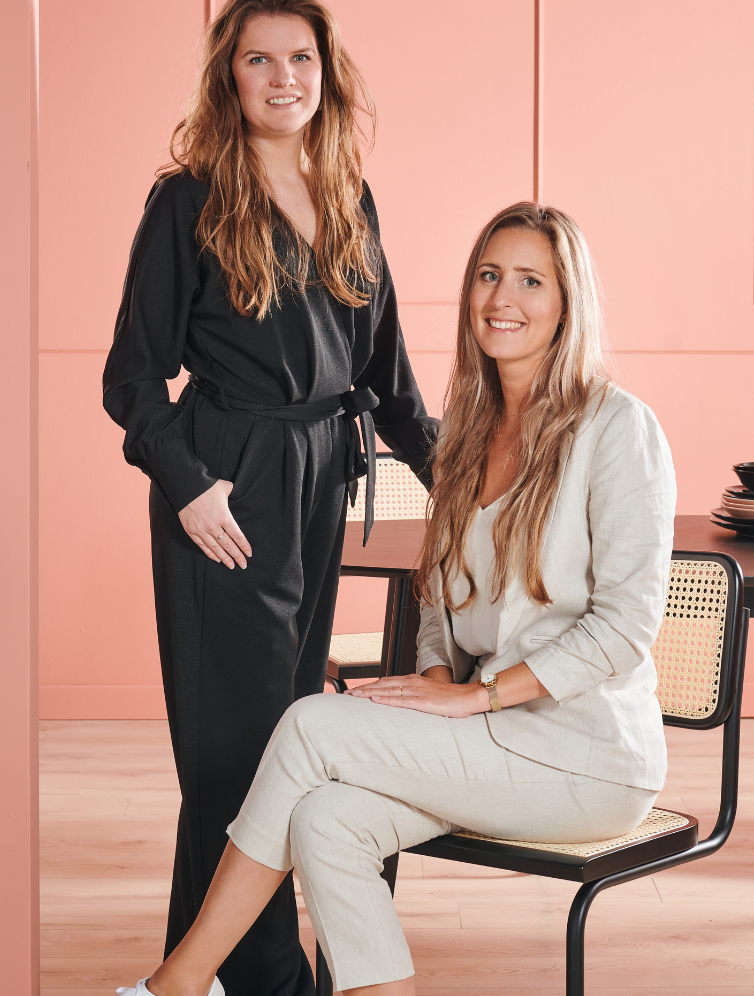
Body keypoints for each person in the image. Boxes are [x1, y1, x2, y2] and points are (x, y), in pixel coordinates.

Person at [117, 201, 677, 996]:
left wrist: (477, 698)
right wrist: (438, 683)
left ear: (568, 301)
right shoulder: (465, 440)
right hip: (494, 739)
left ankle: (177, 985)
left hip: (590, 757)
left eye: (531, 281)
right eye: (488, 275)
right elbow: (440, 607)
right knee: (327, 822)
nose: (502, 298)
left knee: (309, 724)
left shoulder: (618, 429)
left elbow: (624, 627)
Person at [102, 0, 438, 996]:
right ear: (230, 76)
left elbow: (389, 381)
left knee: (279, 745)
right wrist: (190, 487)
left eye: (300, 58)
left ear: (326, 74)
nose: (282, 77)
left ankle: (190, 975)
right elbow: (131, 378)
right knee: (237, 758)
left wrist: (469, 488)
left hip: (321, 479)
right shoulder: (188, 200)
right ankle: (269, 981)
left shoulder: (350, 196)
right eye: (259, 59)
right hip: (227, 489)